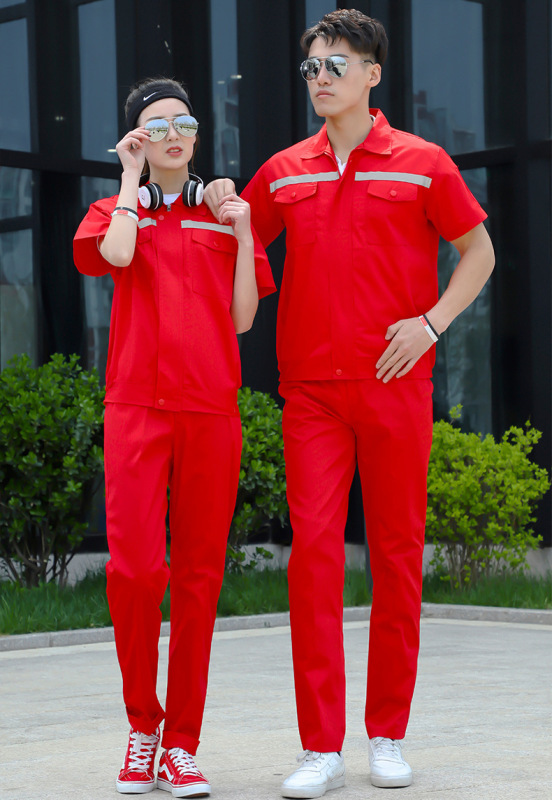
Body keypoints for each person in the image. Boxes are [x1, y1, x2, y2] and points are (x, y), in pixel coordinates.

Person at [204, 9, 495, 797]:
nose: (321, 78)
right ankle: (319, 747)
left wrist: (431, 324)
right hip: (312, 395)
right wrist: (219, 201)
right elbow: (235, 242)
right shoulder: (283, 171)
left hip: (397, 385)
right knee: (315, 562)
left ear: (373, 74)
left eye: (337, 64)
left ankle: (388, 735)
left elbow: (479, 252)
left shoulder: (423, 162)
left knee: (397, 557)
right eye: (312, 67)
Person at [73, 77, 275, 797]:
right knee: (134, 573)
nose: (173, 135)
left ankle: (181, 744)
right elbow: (116, 256)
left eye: (184, 123)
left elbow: (244, 318)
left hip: (210, 413)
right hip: (136, 410)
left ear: (197, 135)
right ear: (136, 138)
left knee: (198, 580)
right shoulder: (112, 210)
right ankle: (142, 727)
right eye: (156, 125)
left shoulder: (223, 216)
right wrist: (131, 180)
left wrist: (243, 229)